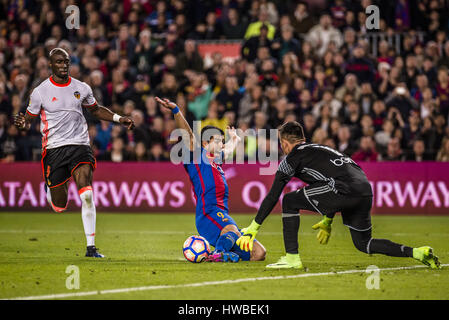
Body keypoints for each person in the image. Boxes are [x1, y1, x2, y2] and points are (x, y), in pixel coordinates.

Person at [236, 121, 441, 270]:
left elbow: (273, 195)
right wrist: (327, 219)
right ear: (303, 139)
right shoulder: (324, 149)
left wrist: (253, 228)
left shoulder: (291, 158)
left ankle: (291, 258)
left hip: (343, 190)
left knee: (289, 200)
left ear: (283, 143)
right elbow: (329, 180)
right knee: (364, 244)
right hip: (364, 191)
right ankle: (417, 252)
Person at [13, 48, 135, 258]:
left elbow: (95, 110)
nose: (63, 65)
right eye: (59, 62)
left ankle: (91, 248)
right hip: (54, 149)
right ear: (51, 65)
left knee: (87, 194)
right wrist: (23, 123)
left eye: (66, 62)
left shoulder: (82, 87)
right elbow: (29, 119)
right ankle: (50, 190)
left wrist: (119, 118)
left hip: (80, 145)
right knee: (59, 206)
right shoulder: (40, 91)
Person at [155, 96, 266, 263]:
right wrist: (176, 110)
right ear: (206, 143)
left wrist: (234, 139)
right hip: (209, 213)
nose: (222, 144)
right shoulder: (196, 155)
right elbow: (188, 135)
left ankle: (225, 244)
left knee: (259, 253)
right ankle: (218, 253)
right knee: (231, 229)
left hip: (222, 214)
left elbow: (227, 151)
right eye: (219, 141)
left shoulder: (216, 159)